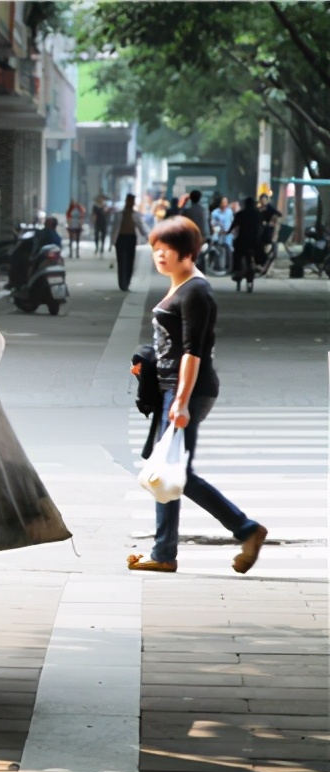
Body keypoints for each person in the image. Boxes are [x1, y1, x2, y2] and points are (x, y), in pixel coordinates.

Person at [127, 217, 267, 575]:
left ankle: (244, 528)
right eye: (156, 248)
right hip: (172, 388)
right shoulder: (181, 285)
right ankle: (165, 551)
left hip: (187, 389)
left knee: (174, 473)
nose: (160, 255)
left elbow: (193, 351)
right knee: (168, 471)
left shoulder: (196, 292)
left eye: (167, 249)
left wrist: (181, 401)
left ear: (187, 252)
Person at [230, 196, 263, 292]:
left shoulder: (240, 214)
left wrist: (227, 232)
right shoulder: (257, 214)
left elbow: (233, 225)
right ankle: (259, 265)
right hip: (254, 241)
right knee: (260, 254)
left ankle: (236, 270)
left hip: (242, 240)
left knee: (236, 255)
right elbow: (261, 227)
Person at [114, 193, 145, 291]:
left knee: (130, 261)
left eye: (133, 201)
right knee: (121, 261)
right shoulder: (120, 214)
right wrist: (112, 241)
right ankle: (122, 283)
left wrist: (146, 236)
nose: (132, 203)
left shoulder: (135, 215)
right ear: (127, 201)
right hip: (121, 238)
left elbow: (140, 227)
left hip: (131, 238)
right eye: (130, 200)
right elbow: (114, 228)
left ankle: (127, 282)